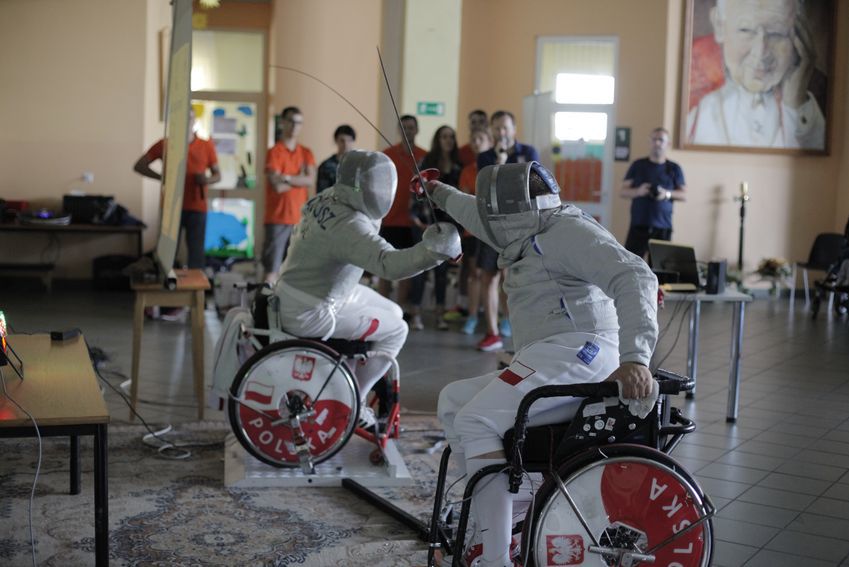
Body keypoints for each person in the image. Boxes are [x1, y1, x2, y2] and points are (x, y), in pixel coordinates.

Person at [417, 161, 659, 567]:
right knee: (455, 400)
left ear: (518, 210)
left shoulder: (566, 230)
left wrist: (636, 358)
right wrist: (436, 191)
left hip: (584, 351)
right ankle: (499, 518)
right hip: (548, 352)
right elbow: (474, 212)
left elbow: (636, 276)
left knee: (477, 419)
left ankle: (494, 558)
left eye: (497, 212)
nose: (490, 221)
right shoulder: (517, 226)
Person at [275, 150, 460, 421]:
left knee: (394, 312)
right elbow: (389, 264)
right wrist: (434, 253)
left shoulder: (326, 197)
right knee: (397, 330)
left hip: (302, 291)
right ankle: (353, 401)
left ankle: (350, 372)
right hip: (311, 310)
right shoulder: (349, 225)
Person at [686, 0, 825, 150]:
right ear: (720, 26)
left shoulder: (815, 102)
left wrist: (795, 104)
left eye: (776, 33)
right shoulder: (699, 115)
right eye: (746, 30)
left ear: (798, 36)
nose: (760, 52)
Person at [474, 110, 540, 351]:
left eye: (505, 128)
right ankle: (491, 332)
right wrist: (500, 165)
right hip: (492, 223)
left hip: (520, 225)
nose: (501, 133)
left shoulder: (529, 153)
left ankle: (519, 329)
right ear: (491, 130)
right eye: (497, 128)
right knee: (488, 277)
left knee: (514, 278)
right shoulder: (485, 157)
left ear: (514, 129)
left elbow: (532, 186)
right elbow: (485, 188)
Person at [134, 108, 220, 270]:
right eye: (184, 118)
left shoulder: (206, 145)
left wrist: (206, 180)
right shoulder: (164, 144)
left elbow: (218, 175)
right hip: (171, 206)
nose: (187, 121)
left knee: (196, 251)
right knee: (167, 252)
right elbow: (139, 166)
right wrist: (162, 178)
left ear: (194, 121)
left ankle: (196, 290)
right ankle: (166, 285)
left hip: (197, 206)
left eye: (191, 118)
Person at [409, 125, 464, 330]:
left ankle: (440, 313)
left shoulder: (459, 166)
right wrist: (415, 217)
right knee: (420, 269)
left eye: (451, 137)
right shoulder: (426, 163)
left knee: (442, 271)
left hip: (448, 226)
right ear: (437, 139)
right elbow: (414, 191)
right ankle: (416, 313)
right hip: (424, 222)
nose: (448, 140)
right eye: (444, 137)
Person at [379, 115, 428, 329]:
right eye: (404, 127)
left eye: (411, 127)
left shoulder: (425, 157)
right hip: (389, 220)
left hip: (413, 223)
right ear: (399, 130)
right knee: (384, 269)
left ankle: (398, 312)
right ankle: (381, 310)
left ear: (416, 130)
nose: (408, 131)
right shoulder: (387, 155)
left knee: (407, 270)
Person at [262, 106, 316, 284]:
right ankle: (264, 309)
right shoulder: (274, 152)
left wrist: (285, 177)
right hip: (277, 218)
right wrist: (298, 178)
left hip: (300, 219)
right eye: (291, 121)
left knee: (296, 271)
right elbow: (277, 187)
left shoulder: (306, 152)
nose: (295, 126)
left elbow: (309, 180)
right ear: (283, 123)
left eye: (299, 122)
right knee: (272, 270)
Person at [620, 127, 687, 259]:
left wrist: (666, 194)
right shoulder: (638, 165)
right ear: (649, 142)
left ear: (668, 144)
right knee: (630, 265)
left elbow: (683, 194)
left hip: (663, 227)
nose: (657, 143)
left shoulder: (674, 168)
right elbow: (623, 191)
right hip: (638, 225)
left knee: (660, 268)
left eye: (661, 140)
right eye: (654, 139)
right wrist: (638, 191)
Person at [316, 124, 356, 194]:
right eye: (342, 140)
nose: (346, 144)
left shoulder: (359, 165)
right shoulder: (326, 166)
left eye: (349, 140)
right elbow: (322, 194)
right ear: (336, 140)